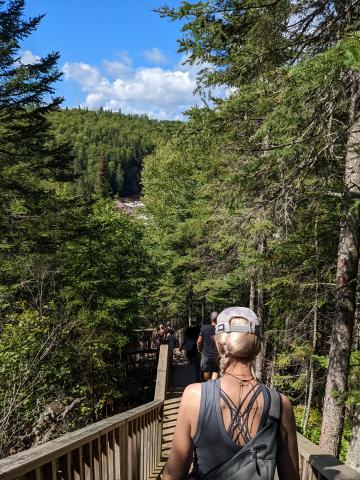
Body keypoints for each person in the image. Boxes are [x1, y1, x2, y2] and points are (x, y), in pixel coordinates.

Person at [162, 307, 300, 480]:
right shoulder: (280, 404)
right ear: (256, 348)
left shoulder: (195, 396)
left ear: (219, 344)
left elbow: (173, 474)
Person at [197, 311, 219, 381]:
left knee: (206, 370)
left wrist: (199, 349)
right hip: (217, 354)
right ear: (217, 319)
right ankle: (213, 385)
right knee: (215, 370)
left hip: (205, 354)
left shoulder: (204, 328)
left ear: (211, 318)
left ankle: (207, 385)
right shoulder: (220, 329)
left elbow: (199, 341)